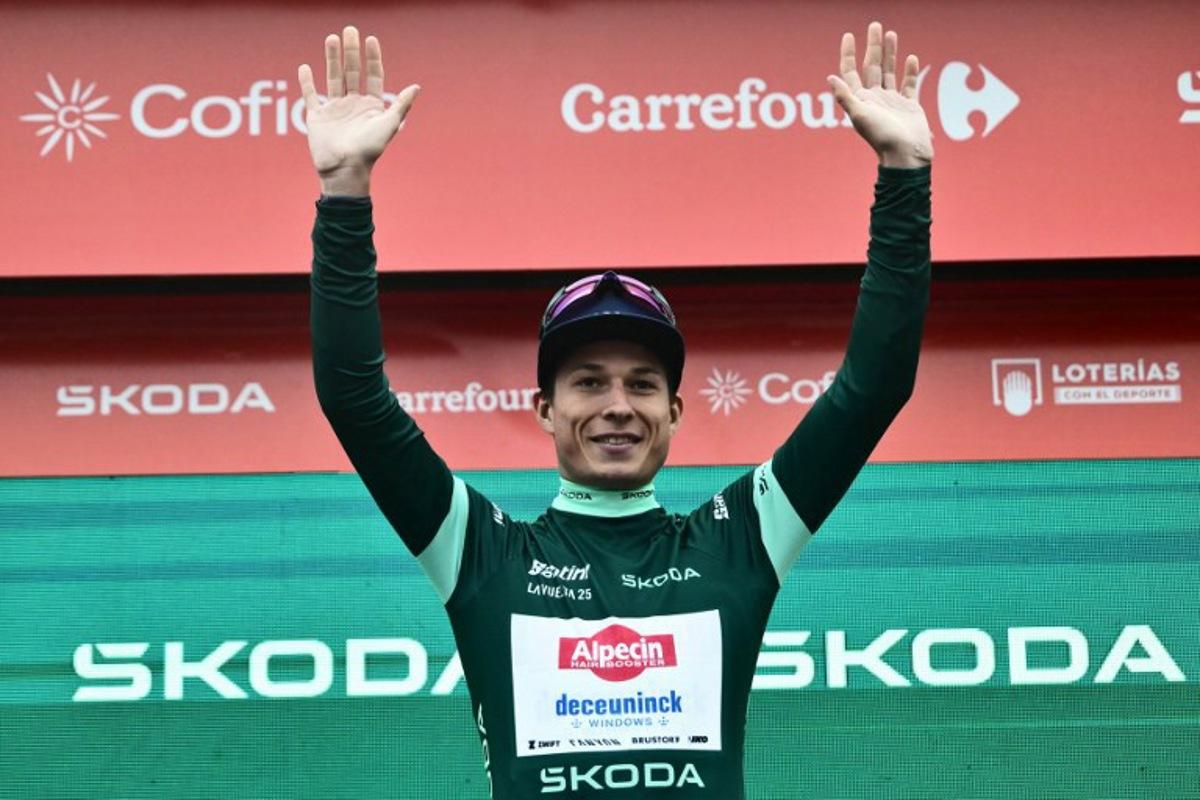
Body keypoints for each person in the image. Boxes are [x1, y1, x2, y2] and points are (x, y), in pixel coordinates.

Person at [303, 20, 931, 799]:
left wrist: (904, 174)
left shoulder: (738, 545)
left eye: (641, 385)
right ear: (543, 408)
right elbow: (353, 398)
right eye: (588, 382)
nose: (616, 407)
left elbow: (874, 387)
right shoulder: (484, 556)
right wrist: (343, 195)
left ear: (674, 411)